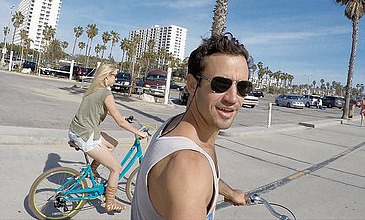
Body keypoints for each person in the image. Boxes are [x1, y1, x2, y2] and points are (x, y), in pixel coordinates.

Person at [132, 33, 250, 219]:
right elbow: (191, 178)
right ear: (192, 85)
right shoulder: (190, 167)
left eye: (242, 87)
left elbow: (204, 180)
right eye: (220, 84)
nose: (233, 98)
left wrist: (230, 193)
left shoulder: (175, 124)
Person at [68, 63, 147, 212]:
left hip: (77, 130)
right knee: (116, 168)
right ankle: (110, 202)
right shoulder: (106, 93)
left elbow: (104, 109)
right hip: (86, 135)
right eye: (115, 76)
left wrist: (120, 116)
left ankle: (93, 168)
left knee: (112, 144)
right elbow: (120, 122)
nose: (116, 78)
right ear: (106, 76)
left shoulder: (94, 89)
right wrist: (138, 132)